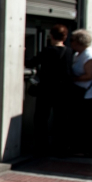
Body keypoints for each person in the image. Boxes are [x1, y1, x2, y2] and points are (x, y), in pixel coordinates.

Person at [25, 24, 72, 156]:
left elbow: (31, 62)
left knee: (41, 119)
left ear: (51, 35)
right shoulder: (69, 52)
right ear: (65, 36)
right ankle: (60, 148)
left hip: (46, 90)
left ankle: (42, 147)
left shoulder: (48, 51)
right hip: (62, 91)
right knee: (61, 119)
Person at [68, 29, 92, 158]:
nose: (70, 43)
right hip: (82, 92)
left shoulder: (89, 55)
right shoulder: (79, 54)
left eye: (72, 40)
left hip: (89, 95)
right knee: (80, 122)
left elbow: (90, 75)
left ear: (79, 42)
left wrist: (73, 79)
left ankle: (85, 150)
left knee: (86, 123)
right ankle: (79, 148)